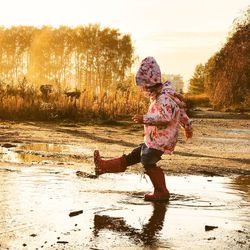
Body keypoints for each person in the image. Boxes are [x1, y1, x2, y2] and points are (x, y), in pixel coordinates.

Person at [94, 56, 193, 201]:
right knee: (135, 155)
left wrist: (145, 118)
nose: (142, 90)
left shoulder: (164, 98)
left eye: (143, 86)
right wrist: (187, 125)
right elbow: (180, 113)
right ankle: (104, 166)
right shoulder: (160, 97)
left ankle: (161, 192)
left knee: (147, 161)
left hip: (161, 140)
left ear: (150, 83)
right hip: (154, 139)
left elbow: (166, 118)